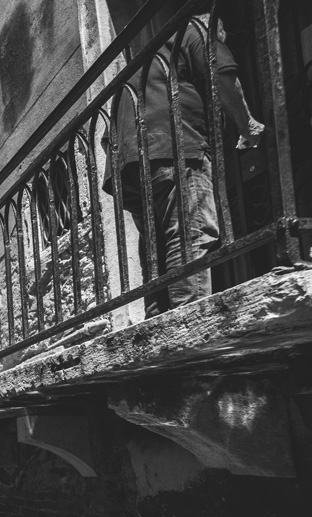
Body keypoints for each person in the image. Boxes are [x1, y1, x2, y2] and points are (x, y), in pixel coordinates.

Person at [109, 12, 264, 318]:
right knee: (189, 233)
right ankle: (187, 319)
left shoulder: (144, 62)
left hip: (130, 164)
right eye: (223, 37)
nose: (223, 42)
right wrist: (249, 126)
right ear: (215, 25)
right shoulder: (195, 29)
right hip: (175, 148)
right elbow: (221, 74)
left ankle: (157, 322)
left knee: (155, 249)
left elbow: (107, 136)